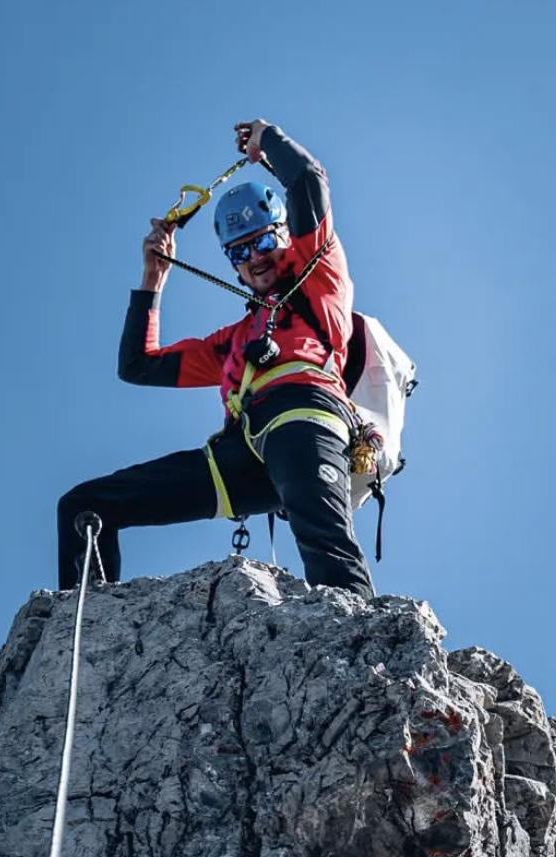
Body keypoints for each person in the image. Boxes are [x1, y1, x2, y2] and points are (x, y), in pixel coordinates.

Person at [57, 119, 375, 599]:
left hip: (304, 419)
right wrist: (153, 280)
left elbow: (307, 180)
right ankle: (83, 631)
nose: (256, 257)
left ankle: (365, 654)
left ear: (285, 237)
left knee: (328, 552)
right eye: (240, 251)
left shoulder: (318, 280)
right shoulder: (232, 342)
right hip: (243, 454)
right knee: (86, 506)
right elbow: (138, 365)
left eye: (265, 240)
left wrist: (267, 138)